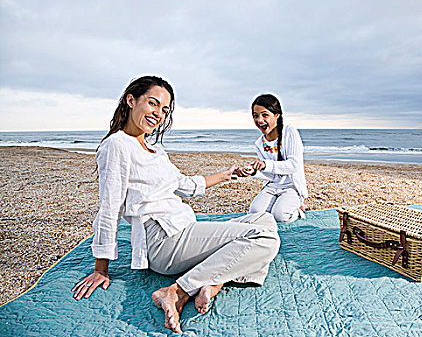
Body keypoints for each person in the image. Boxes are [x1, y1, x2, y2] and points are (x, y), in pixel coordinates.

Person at [71, 76, 280, 333]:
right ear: (131, 100)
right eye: (152, 103)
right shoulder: (116, 145)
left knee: (265, 220)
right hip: (163, 240)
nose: (158, 114)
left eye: (165, 110)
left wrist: (229, 174)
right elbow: (109, 208)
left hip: (183, 229)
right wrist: (101, 268)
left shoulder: (154, 148)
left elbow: (184, 184)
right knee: (266, 239)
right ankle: (177, 291)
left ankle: (214, 282)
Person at [236, 94, 308, 223]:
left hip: (292, 187)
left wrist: (265, 164)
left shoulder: (289, 132)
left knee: (280, 216)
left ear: (276, 115)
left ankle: (298, 210)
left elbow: (293, 165)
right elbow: (270, 176)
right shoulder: (259, 143)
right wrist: (254, 172)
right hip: (271, 187)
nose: (259, 120)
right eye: (255, 115)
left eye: (265, 115)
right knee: (254, 214)